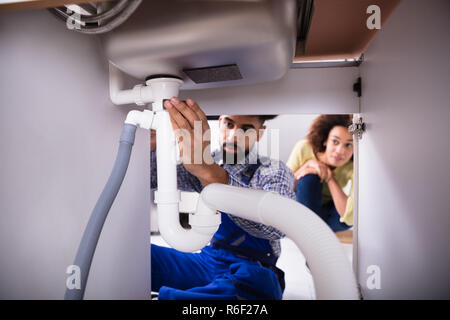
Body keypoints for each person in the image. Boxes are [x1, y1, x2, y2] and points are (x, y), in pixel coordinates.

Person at [150, 97, 295, 300]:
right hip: (208, 261)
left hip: (253, 268)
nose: (235, 135)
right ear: (220, 123)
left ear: (260, 133)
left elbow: (278, 226)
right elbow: (154, 177)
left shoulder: (273, 170)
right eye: (229, 124)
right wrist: (153, 147)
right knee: (143, 256)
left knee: (261, 282)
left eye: (246, 129)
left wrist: (211, 175)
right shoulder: (204, 162)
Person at [286, 115, 354, 232]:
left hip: (328, 212)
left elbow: (348, 216)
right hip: (301, 207)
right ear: (325, 140)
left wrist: (330, 178)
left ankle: (313, 230)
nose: (340, 151)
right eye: (335, 141)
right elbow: (282, 190)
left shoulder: (353, 165)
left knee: (349, 217)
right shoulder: (304, 147)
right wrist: (305, 167)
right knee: (309, 177)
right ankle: (313, 230)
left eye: (348, 145)